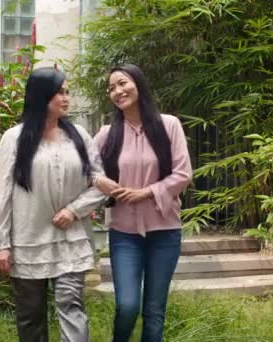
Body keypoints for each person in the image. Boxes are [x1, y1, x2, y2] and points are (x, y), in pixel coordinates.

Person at [0, 67, 105, 342]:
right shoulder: (14, 138)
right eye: (60, 92)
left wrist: (73, 210)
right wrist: (1, 244)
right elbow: (2, 193)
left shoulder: (79, 135)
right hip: (27, 241)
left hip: (70, 239)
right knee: (30, 316)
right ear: (42, 96)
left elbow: (98, 182)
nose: (66, 98)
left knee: (72, 308)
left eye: (67, 92)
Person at [92, 64, 193, 342]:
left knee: (154, 311)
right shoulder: (106, 134)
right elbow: (84, 168)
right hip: (124, 234)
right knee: (127, 306)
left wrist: (146, 192)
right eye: (111, 88)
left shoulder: (169, 125)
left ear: (138, 83)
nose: (117, 91)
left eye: (122, 83)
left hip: (165, 231)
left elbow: (183, 174)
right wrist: (100, 181)